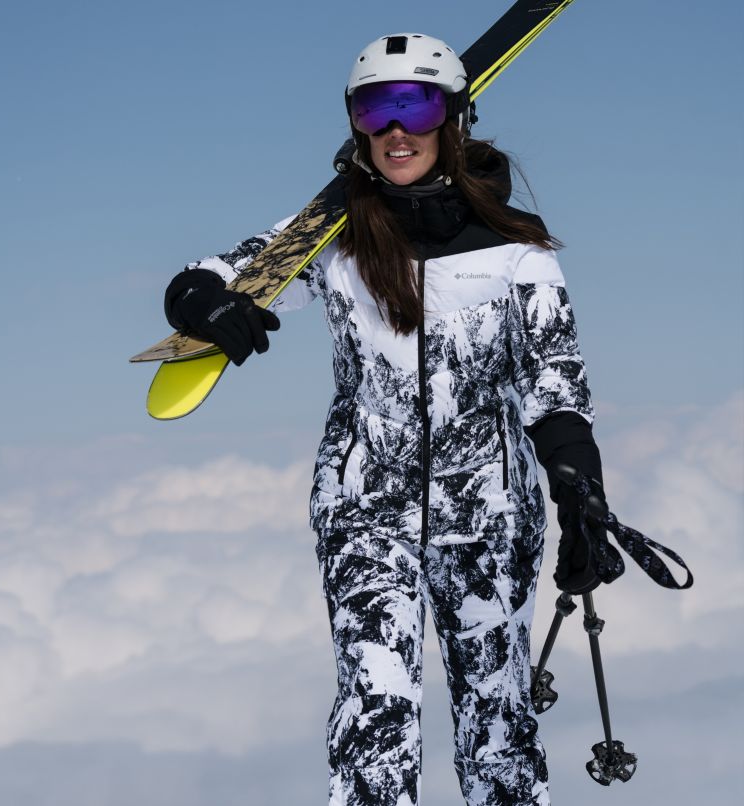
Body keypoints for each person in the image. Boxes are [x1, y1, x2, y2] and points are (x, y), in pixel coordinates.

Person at [163, 33, 607, 806]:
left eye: (416, 104)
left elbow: (554, 384)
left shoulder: (515, 254)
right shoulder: (333, 240)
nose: (395, 129)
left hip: (491, 517)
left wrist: (579, 492)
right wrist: (205, 304)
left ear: (453, 118)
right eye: (375, 110)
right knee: (376, 716)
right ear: (356, 125)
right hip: (368, 510)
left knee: (497, 724)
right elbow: (214, 272)